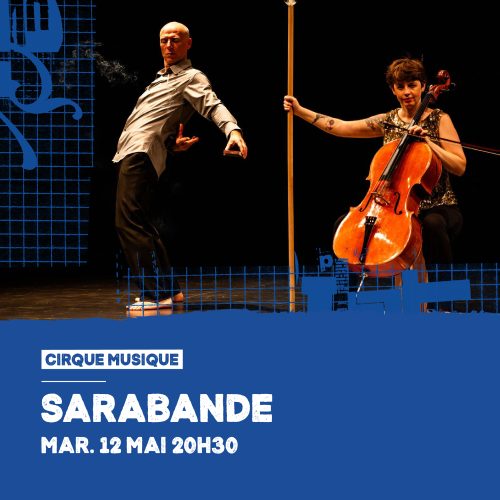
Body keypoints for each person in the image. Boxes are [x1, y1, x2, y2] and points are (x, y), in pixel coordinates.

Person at [283, 57, 466, 271]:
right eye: (400, 87)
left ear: (423, 86)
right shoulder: (387, 121)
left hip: (438, 206)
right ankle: (344, 291)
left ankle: (443, 290)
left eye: (412, 85)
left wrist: (429, 143)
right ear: (393, 90)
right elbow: (340, 127)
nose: (407, 92)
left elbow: (459, 166)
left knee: (432, 224)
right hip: (392, 207)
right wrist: (300, 110)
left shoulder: (439, 119)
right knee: (343, 226)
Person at [113, 21, 248, 311]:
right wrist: (171, 144)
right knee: (142, 223)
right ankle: (169, 291)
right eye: (164, 40)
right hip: (141, 151)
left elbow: (212, 104)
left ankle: (155, 294)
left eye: (175, 40)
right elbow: (160, 121)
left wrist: (232, 130)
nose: (169, 45)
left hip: (140, 152)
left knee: (129, 223)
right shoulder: (160, 79)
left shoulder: (191, 76)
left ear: (188, 43)